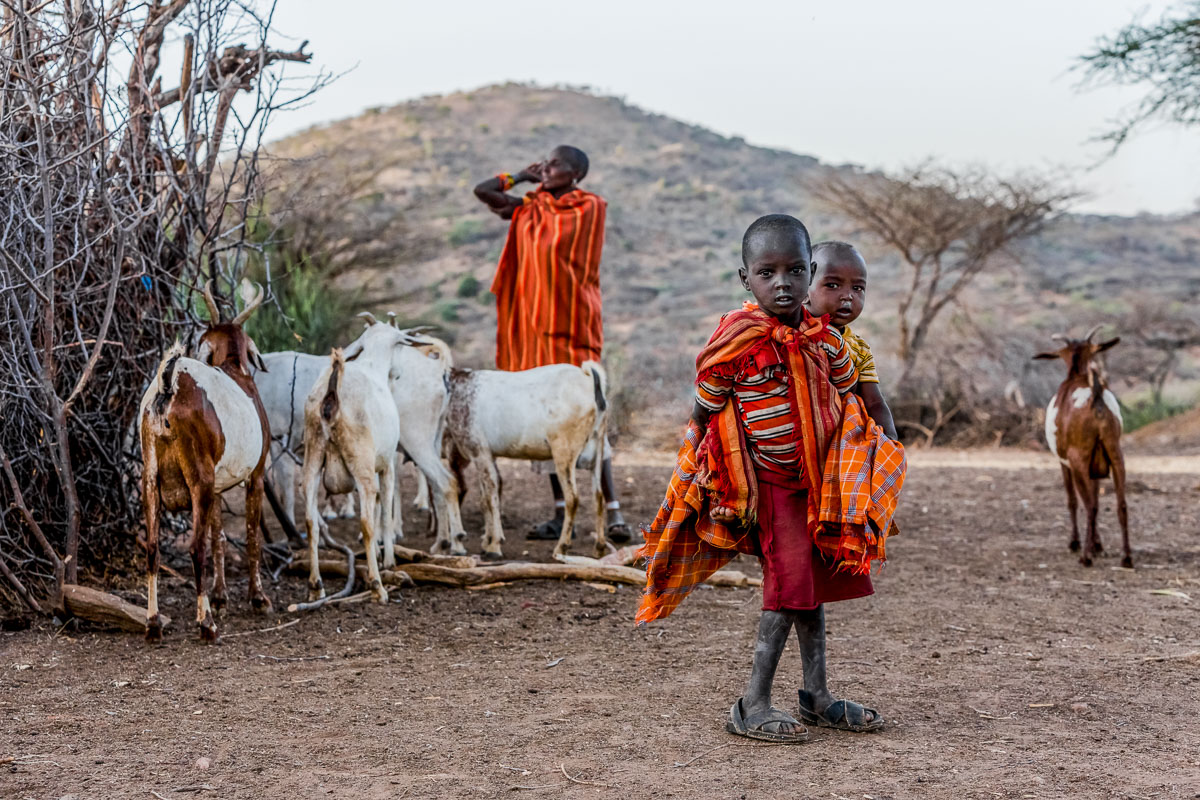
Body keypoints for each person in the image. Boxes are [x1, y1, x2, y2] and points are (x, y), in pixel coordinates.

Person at [637, 215, 906, 743]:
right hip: (769, 484)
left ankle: (816, 697)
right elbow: (705, 406)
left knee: (812, 588)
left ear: (809, 272)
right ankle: (751, 702)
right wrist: (697, 466)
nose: (781, 283)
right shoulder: (737, 339)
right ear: (746, 279)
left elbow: (851, 389)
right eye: (767, 272)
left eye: (794, 271)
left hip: (818, 482)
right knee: (786, 592)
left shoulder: (823, 338)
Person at [473, 146, 633, 544]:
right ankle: (562, 515)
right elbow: (484, 191)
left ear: (576, 173)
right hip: (531, 327)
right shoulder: (530, 206)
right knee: (546, 416)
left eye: (556, 163)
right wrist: (522, 177)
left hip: (573, 323)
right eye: (544, 162)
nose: (547, 166)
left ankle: (612, 513)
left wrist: (535, 187)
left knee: (590, 416)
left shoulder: (591, 207)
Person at [804, 241, 898, 440]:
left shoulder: (859, 349)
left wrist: (889, 441)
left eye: (858, 288)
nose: (847, 296)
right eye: (832, 285)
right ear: (804, 290)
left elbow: (874, 403)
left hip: (839, 443)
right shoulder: (790, 333)